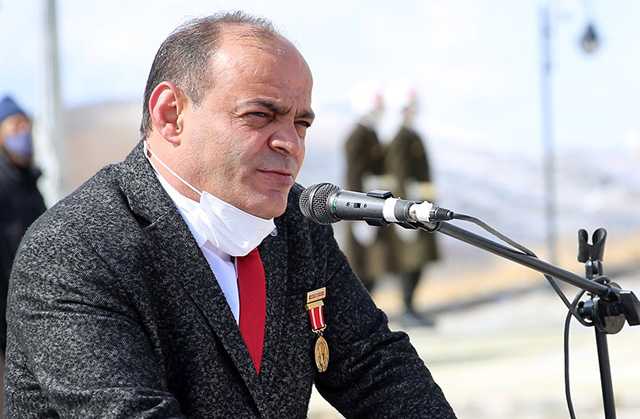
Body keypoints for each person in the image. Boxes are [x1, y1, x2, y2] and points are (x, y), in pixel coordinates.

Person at [6, 12, 456, 418]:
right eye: (260, 115)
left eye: (301, 123)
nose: (290, 143)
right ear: (170, 115)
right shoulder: (77, 249)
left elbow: (376, 368)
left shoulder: (295, 223)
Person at [385, 92, 440, 327]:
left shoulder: (412, 135)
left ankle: (411, 307)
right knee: (411, 259)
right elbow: (399, 176)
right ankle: (407, 309)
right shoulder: (400, 139)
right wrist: (404, 211)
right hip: (412, 209)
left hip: (422, 206)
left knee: (420, 259)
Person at [0, 96, 46, 358]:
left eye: (25, 124)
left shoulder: (31, 183)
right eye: (15, 126)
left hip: (33, 308)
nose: (24, 132)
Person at [343, 93, 386, 291]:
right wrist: (358, 212)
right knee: (361, 262)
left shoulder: (371, 133)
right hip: (361, 204)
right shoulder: (357, 136)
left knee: (374, 262)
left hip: (374, 202)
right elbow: (354, 177)